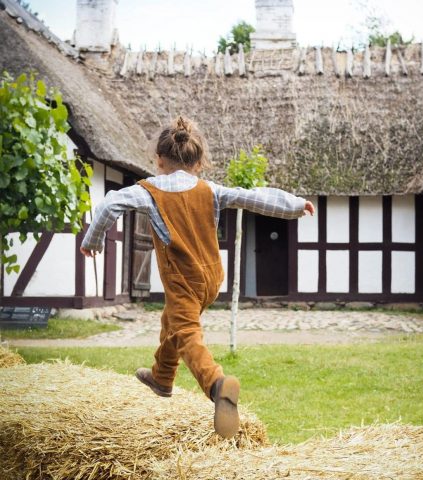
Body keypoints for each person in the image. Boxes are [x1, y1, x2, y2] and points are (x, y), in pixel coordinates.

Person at [80, 116, 315, 439]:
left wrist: (92, 241)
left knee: (187, 332)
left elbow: (110, 204)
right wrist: (294, 205)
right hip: (212, 279)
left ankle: (217, 384)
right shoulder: (211, 189)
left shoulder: (148, 191)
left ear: (159, 159)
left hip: (181, 280)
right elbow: (254, 197)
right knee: (173, 323)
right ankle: (162, 377)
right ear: (199, 161)